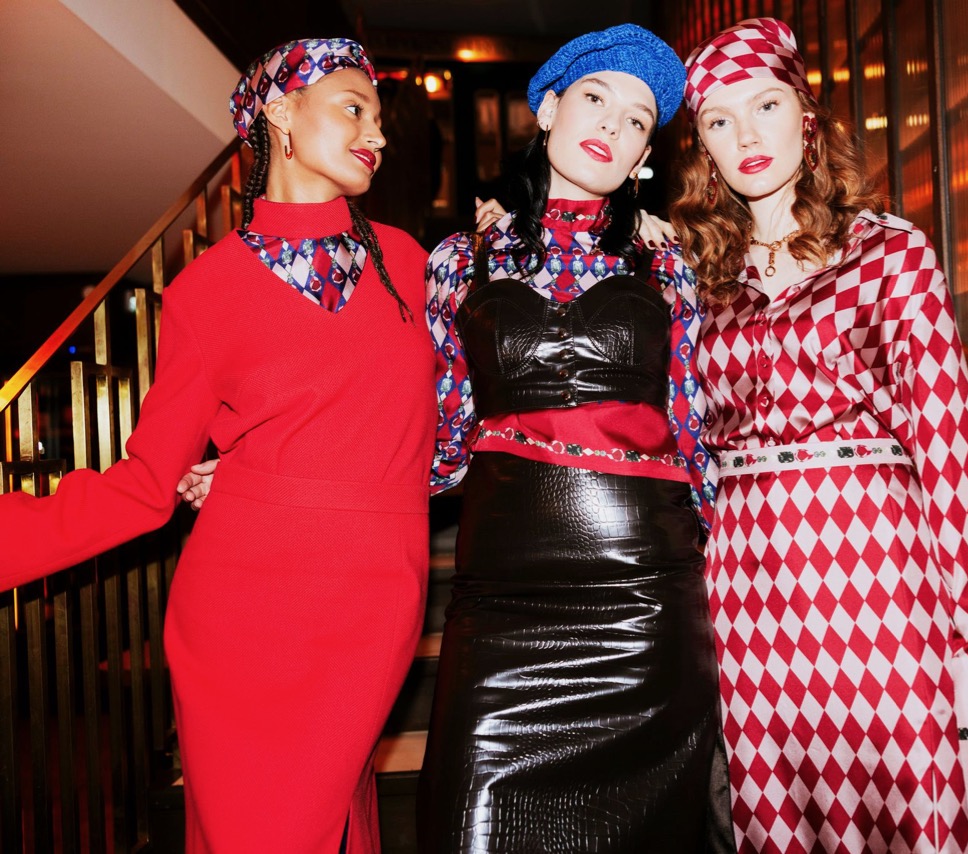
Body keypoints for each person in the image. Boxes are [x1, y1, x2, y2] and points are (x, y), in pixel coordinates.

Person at [0, 38, 433, 853]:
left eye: (379, 117)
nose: (377, 132)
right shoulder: (205, 290)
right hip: (243, 614)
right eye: (353, 108)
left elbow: (446, 426)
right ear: (282, 112)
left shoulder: (409, 264)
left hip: (376, 600)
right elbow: (145, 484)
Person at [669, 18, 968, 854]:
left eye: (765, 106)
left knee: (910, 793)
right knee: (775, 810)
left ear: (807, 117)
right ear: (703, 147)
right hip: (745, 588)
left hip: (880, 569)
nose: (747, 135)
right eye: (720, 119)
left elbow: (949, 447)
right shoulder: (691, 277)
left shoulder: (889, 254)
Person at [418, 23, 723, 853]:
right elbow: (436, 437)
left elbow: (692, 431)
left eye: (636, 121)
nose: (612, 126)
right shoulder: (459, 260)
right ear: (548, 108)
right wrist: (277, 469)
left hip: (644, 607)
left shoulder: (667, 265)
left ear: (644, 155)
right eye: (595, 98)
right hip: (500, 608)